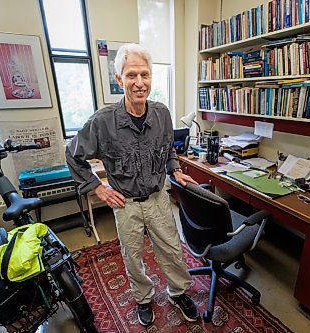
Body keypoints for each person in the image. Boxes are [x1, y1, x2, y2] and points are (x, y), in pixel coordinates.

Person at [65, 44, 199, 327]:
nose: (140, 83)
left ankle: (178, 292)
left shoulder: (162, 114)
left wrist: (175, 170)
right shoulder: (102, 122)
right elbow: (73, 154)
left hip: (158, 197)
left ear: (151, 78)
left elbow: (168, 150)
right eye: (131, 75)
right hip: (125, 203)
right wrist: (97, 188)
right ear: (119, 80)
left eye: (145, 75)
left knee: (172, 250)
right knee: (133, 256)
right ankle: (143, 298)